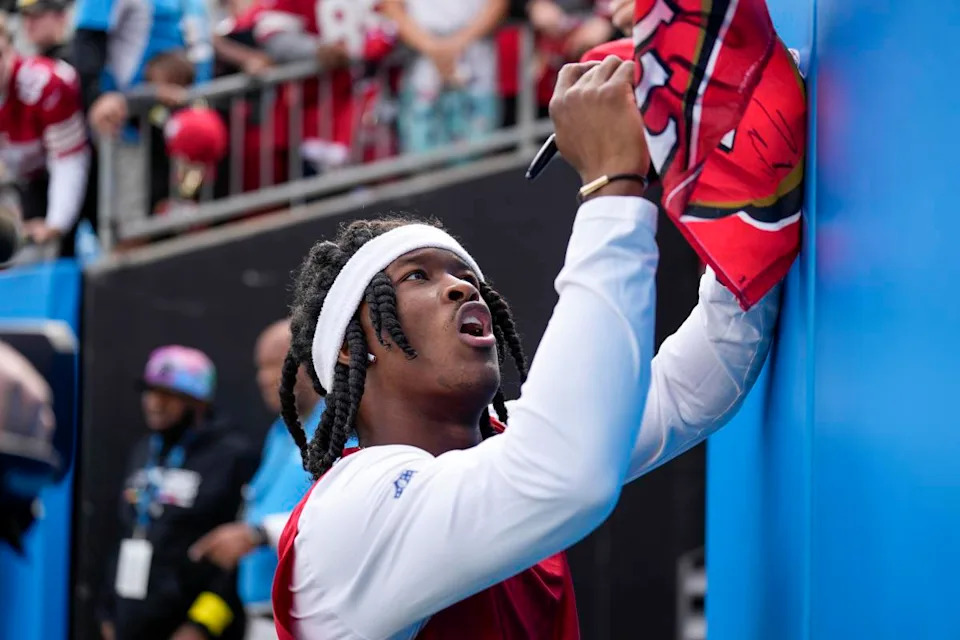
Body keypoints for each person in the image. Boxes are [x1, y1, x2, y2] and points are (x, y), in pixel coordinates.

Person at [271, 56, 782, 638]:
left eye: (465, 276)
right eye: (417, 277)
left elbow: (698, 382)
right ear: (349, 347)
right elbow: (565, 471)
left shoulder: (513, 459)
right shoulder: (351, 508)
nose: (463, 286)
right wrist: (611, 186)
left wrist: (748, 190)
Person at [99, 346, 257, 640]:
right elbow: (124, 533)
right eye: (150, 391)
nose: (154, 403)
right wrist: (109, 613)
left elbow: (237, 560)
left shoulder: (232, 456)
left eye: (168, 394)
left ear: (197, 401)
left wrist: (201, 627)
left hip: (194, 630)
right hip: (129, 625)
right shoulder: (144, 450)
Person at [189, 321, 332, 640]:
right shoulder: (280, 432)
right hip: (262, 619)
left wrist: (258, 534)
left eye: (276, 364)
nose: (264, 378)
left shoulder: (338, 426)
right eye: (260, 368)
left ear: (312, 360)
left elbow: (345, 513)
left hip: (312, 621)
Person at [0, 15, 90, 254]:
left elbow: (68, 159)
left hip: (71, 170)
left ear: (9, 48)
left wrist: (56, 223)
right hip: (25, 179)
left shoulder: (46, 83)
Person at [380, 0, 506, 154]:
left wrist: (455, 44)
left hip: (476, 76)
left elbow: (497, 5)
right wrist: (432, 47)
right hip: (422, 78)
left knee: (477, 161)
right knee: (422, 158)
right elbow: (392, 7)